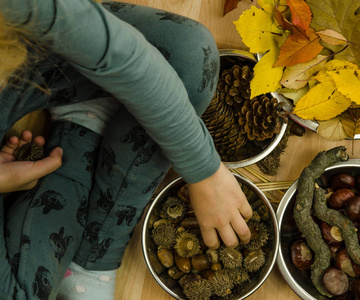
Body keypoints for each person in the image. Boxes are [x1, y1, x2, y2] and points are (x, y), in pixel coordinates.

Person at [0, 0, 253, 299]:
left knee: (188, 52)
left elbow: (123, 53)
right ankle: (90, 257)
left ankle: (86, 120)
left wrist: (203, 170)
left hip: (23, 68)